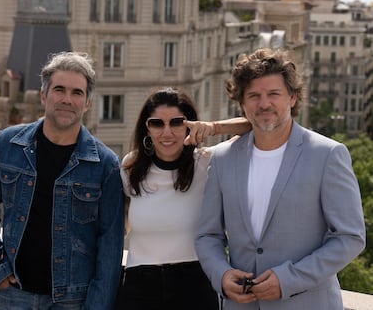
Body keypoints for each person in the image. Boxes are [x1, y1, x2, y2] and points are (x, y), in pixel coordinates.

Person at [195, 48, 366, 310]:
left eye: (273, 94)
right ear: (242, 103)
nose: (264, 104)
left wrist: (290, 279)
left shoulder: (328, 155)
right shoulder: (221, 159)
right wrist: (221, 274)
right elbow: (208, 235)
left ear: (293, 97)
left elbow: (350, 237)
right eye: (254, 96)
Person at [0, 51, 124, 310]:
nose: (67, 99)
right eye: (59, 89)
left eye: (77, 93)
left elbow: (110, 245)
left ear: (87, 103)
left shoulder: (106, 165)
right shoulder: (8, 145)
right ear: (43, 95)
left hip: (72, 302)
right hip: (13, 295)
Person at [113, 87, 251, 310]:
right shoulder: (132, 167)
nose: (167, 132)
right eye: (157, 123)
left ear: (190, 124)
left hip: (193, 285)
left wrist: (213, 127)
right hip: (139, 287)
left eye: (177, 122)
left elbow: (253, 125)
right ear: (146, 129)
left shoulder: (208, 162)